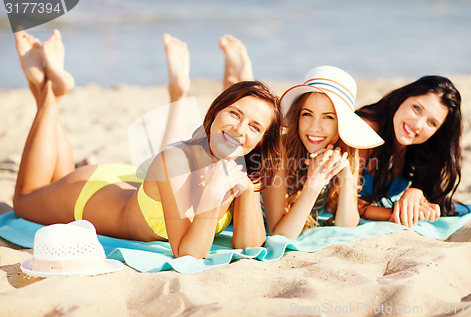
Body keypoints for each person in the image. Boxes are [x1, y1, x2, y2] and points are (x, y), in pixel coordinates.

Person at [12, 30, 283, 259]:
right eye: (235, 113)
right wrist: (212, 198)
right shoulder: (176, 159)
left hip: (123, 182)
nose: (239, 128)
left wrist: (248, 190)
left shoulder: (238, 166)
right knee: (25, 200)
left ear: (260, 140)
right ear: (215, 113)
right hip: (87, 195)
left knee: (56, 178)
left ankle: (43, 85)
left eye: (255, 127)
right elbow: (186, 254)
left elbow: (249, 246)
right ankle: (52, 94)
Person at [261, 66, 384, 240]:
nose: (315, 127)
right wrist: (314, 183)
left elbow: (346, 226)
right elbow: (280, 234)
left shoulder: (347, 150)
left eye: (328, 117)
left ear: (342, 124)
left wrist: (345, 175)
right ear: (297, 116)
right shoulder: (278, 149)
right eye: (307, 114)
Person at [355, 76, 463, 228]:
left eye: (431, 123)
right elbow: (341, 201)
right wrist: (396, 213)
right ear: (403, 99)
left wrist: (416, 191)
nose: (418, 125)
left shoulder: (420, 145)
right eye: (416, 108)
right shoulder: (366, 130)